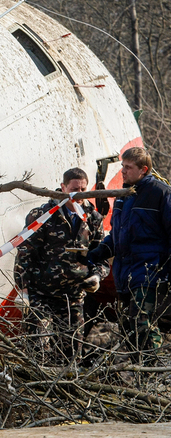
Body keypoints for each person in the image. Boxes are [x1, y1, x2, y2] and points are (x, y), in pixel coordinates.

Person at [14, 168, 109, 363]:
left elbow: (101, 256)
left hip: (73, 297)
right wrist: (22, 290)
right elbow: (25, 253)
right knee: (39, 350)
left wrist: (97, 276)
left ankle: (65, 389)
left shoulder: (93, 219)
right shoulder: (43, 216)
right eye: (74, 189)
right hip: (41, 295)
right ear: (63, 188)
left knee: (72, 354)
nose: (79, 195)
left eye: (83, 189)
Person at [88, 147, 171, 355]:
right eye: (122, 166)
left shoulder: (160, 192)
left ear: (143, 169)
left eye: (128, 167)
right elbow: (117, 238)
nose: (123, 171)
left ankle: (153, 379)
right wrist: (94, 254)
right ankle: (140, 375)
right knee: (129, 331)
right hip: (124, 275)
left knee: (143, 327)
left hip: (149, 272)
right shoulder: (123, 196)